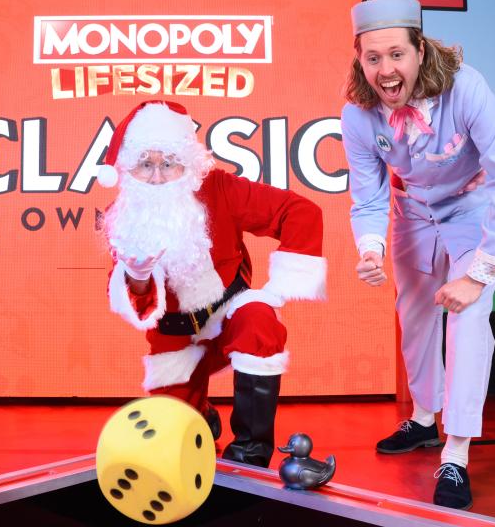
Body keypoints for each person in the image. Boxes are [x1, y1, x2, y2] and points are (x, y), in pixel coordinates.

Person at [340, 0, 495, 509]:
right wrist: (370, 247)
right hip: (412, 214)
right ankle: (425, 419)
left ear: (419, 50)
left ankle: (457, 451)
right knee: (417, 319)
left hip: (471, 208)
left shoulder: (465, 89)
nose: (385, 70)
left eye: (396, 54)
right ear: (359, 58)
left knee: (468, 319)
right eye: (372, 57)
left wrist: (480, 273)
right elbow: (369, 194)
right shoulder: (357, 115)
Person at [98, 100, 326, 468]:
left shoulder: (220, 188)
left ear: (186, 162)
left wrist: (280, 288)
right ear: (128, 169)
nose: (157, 176)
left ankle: (251, 450)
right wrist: (138, 277)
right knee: (170, 448)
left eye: (168, 163)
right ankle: (199, 414)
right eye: (145, 165)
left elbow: (298, 211)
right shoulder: (123, 216)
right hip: (173, 336)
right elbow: (134, 305)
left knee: (258, 320)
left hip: (228, 313)